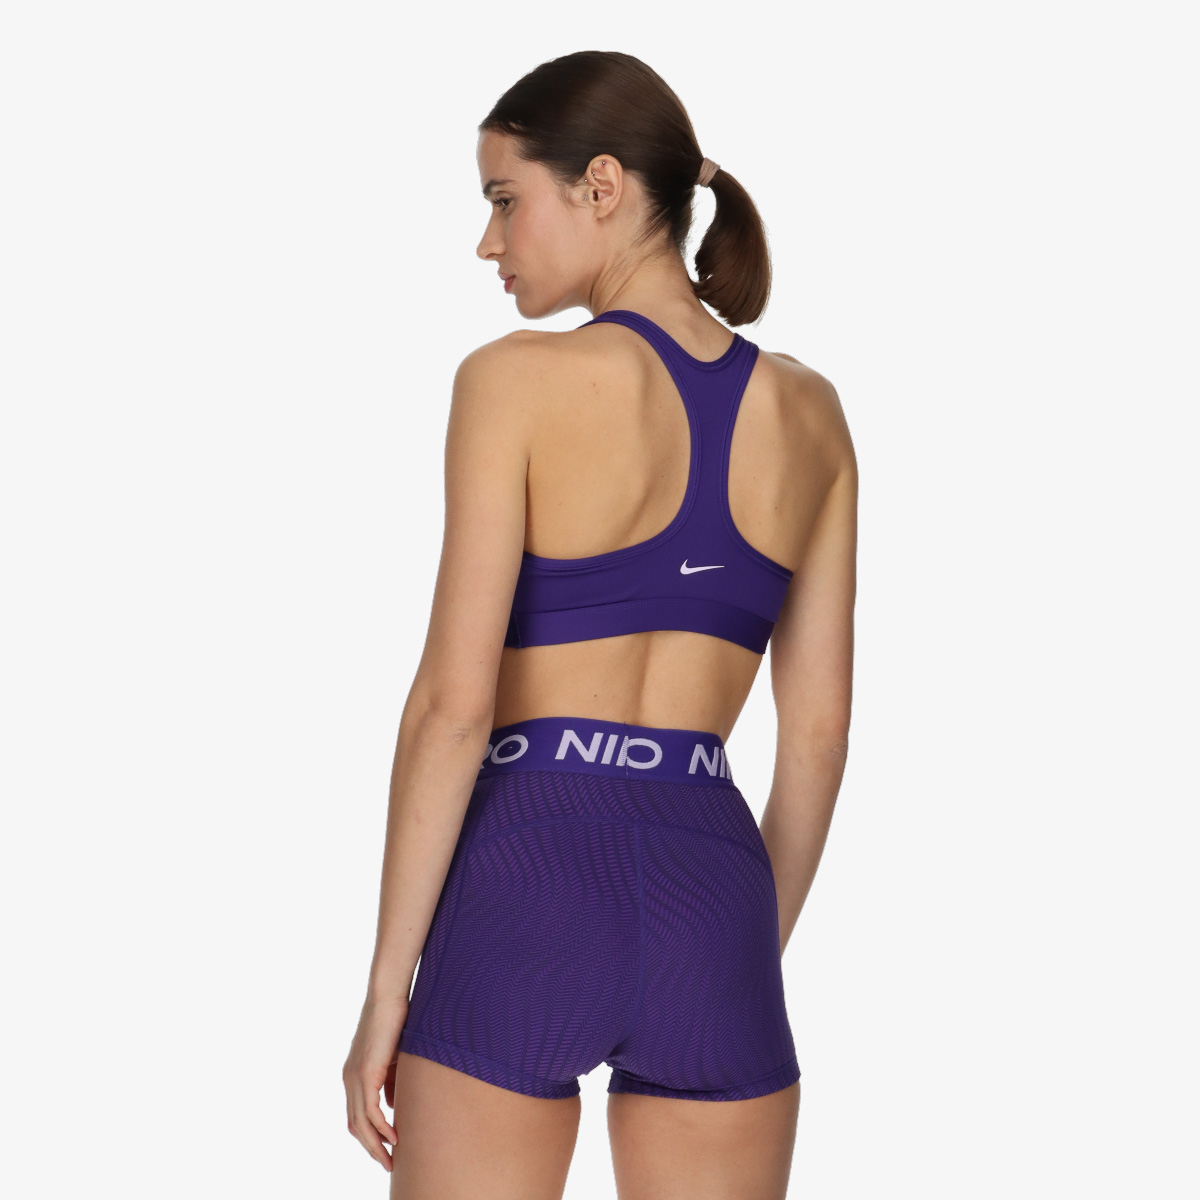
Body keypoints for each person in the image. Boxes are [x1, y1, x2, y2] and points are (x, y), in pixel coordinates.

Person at [343, 50, 857, 1200]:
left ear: (603, 185)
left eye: (503, 199)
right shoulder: (813, 416)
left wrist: (385, 990)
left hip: (528, 876)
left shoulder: (512, 381)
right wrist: (727, 954)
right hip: (713, 885)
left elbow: (453, 710)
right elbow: (818, 735)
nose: (489, 243)